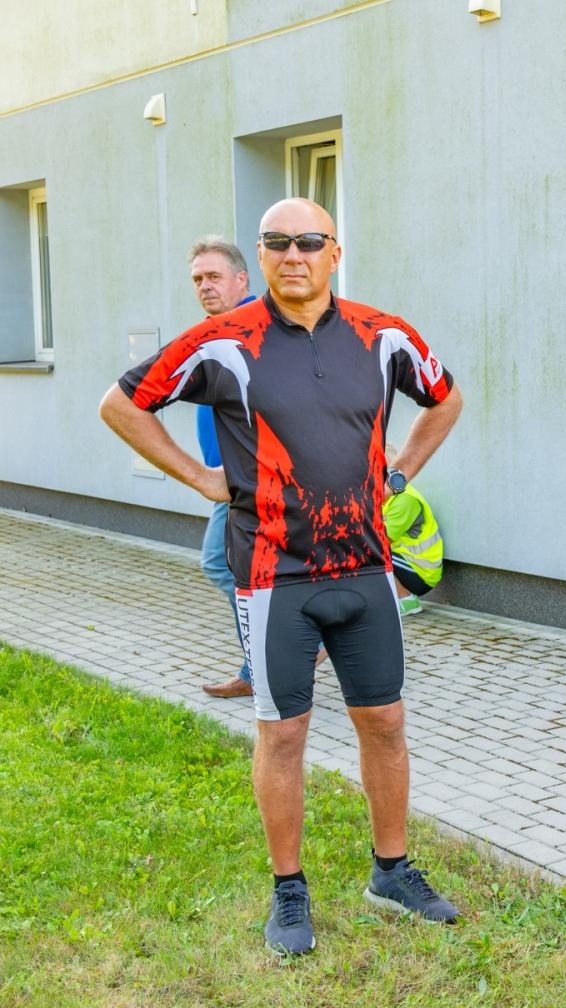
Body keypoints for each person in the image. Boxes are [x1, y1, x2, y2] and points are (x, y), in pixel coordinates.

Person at [100, 198, 465, 954]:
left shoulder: (383, 335)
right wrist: (200, 478)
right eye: (276, 242)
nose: (293, 253)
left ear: (336, 252)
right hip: (274, 576)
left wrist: (399, 473)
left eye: (309, 241)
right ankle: (289, 892)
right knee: (284, 732)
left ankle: (391, 871)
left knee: (386, 722)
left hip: (366, 569)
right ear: (260, 257)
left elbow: (445, 397)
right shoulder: (225, 341)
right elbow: (122, 404)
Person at [187, 237, 258, 699]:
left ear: (241, 279)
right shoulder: (220, 328)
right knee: (238, 570)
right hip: (227, 479)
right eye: (198, 279)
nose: (205, 287)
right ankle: (265, 662)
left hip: (242, 481)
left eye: (214, 277)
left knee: (221, 563)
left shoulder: (251, 328)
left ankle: (269, 659)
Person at [383, 472, 443, 615]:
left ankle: (406, 600)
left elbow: (381, 540)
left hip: (421, 572)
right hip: (407, 562)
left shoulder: (404, 499)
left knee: (371, 554)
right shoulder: (385, 495)